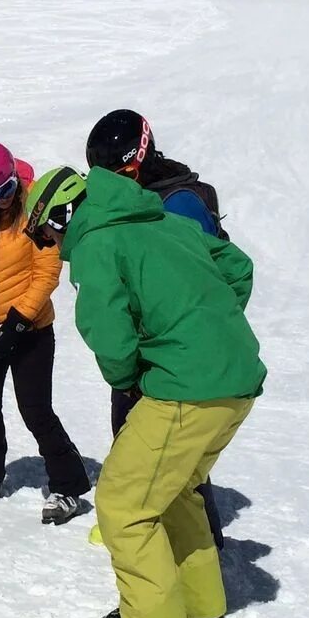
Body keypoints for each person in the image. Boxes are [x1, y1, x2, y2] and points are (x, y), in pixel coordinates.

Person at [23, 166, 264, 618]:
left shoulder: (98, 244)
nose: (51, 245)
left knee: (124, 504)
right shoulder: (167, 223)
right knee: (175, 493)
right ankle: (202, 613)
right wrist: (209, 325)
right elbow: (237, 267)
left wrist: (131, 375)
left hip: (185, 388)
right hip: (235, 381)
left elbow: (108, 333)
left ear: (64, 215)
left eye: (46, 233)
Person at [85, 110, 230, 545]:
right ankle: (146, 521)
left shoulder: (178, 204)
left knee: (178, 457)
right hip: (144, 352)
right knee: (132, 438)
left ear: (141, 158)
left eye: (125, 171)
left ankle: (199, 538)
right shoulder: (134, 203)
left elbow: (219, 281)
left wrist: (191, 338)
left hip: (177, 361)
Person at [0, 140, 91, 520]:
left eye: (6, 189)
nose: (0, 201)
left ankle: (68, 485)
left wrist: (16, 322)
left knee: (36, 410)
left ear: (15, 177)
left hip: (31, 331)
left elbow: (47, 272)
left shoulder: (33, 210)